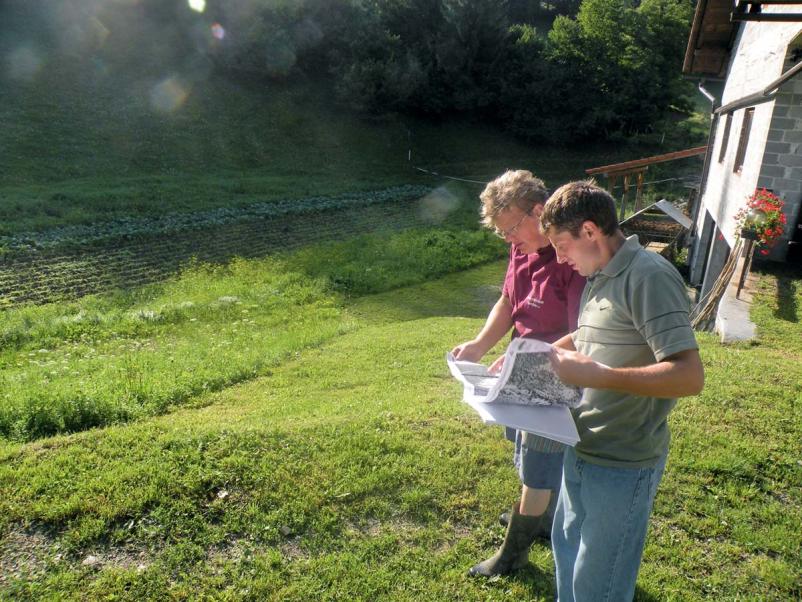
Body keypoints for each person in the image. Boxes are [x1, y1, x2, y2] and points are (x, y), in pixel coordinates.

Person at [540, 181, 704, 601]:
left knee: (599, 585)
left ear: (590, 231)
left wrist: (599, 376)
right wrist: (533, 356)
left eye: (562, 246)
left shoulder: (649, 276)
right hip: (581, 447)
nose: (559, 259)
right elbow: (590, 333)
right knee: (569, 561)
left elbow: (689, 376)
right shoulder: (599, 272)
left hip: (622, 461)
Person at [450, 170, 585, 577]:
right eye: (501, 233)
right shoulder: (523, 247)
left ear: (539, 211)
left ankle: (512, 555)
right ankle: (542, 520)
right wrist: (478, 346)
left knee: (539, 468)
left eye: (511, 228)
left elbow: (587, 332)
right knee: (526, 455)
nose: (508, 239)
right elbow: (509, 299)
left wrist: (528, 361)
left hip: (554, 376)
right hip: (519, 370)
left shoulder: (571, 257)